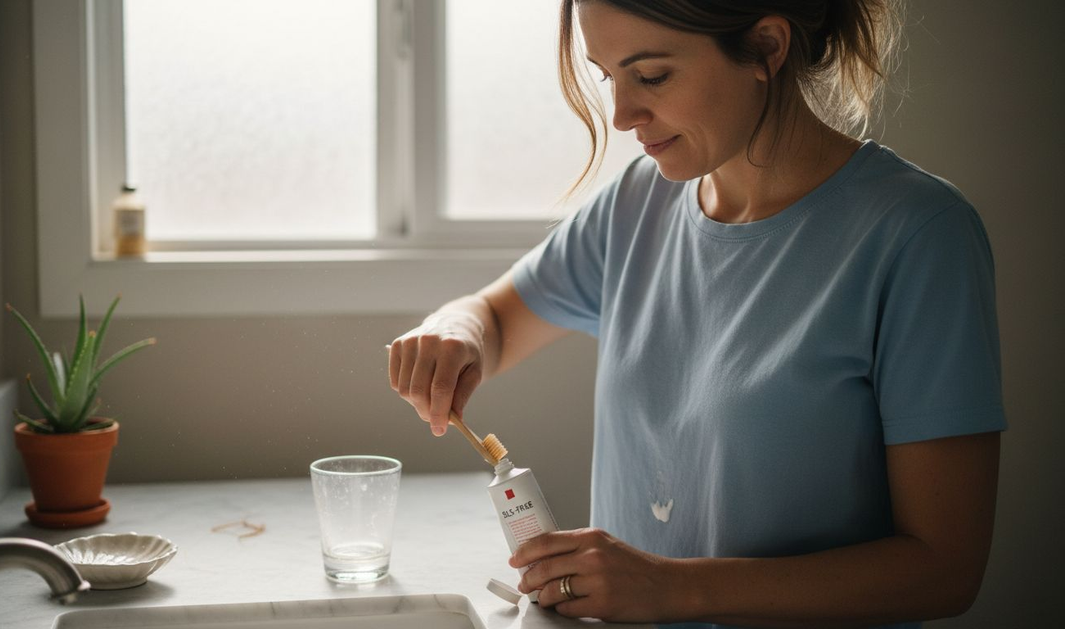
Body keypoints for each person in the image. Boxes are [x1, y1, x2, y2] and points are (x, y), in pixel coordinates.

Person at [387, 1, 1006, 627]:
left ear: (766, 47)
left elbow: (944, 570)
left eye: (651, 76)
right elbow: (493, 320)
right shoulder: (635, 204)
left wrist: (672, 589)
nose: (622, 116)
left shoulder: (918, 237)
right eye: (607, 77)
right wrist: (454, 331)